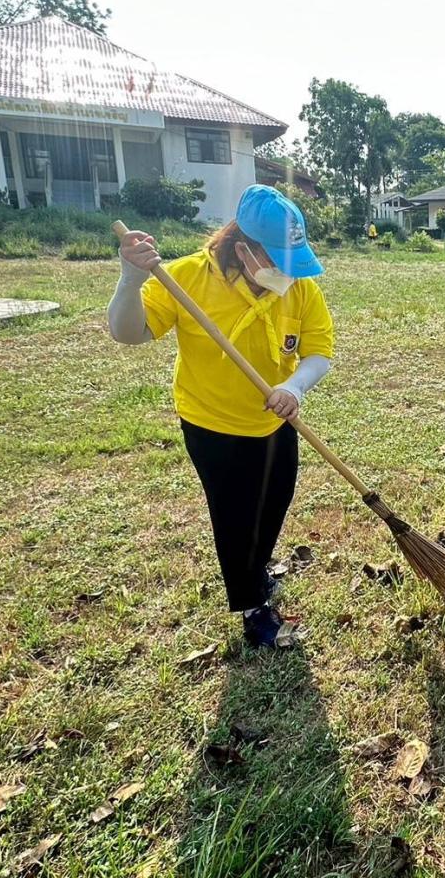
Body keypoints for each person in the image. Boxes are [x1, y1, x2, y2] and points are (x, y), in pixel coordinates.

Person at [107, 185, 334, 649]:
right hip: (212, 425)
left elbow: (319, 351)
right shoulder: (185, 278)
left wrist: (294, 386)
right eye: (275, 261)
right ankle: (254, 610)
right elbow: (127, 332)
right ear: (243, 247)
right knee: (235, 518)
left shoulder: (300, 288)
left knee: (273, 504)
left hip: (274, 422)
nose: (283, 274)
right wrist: (131, 279)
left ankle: (258, 568)